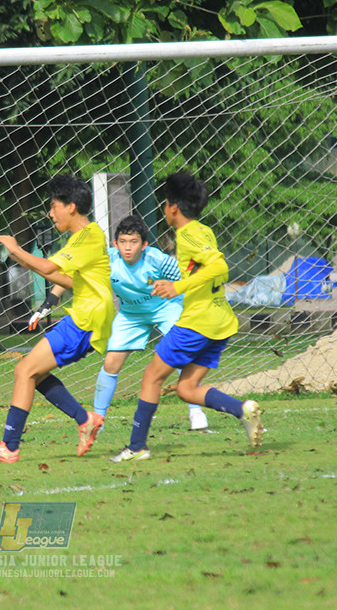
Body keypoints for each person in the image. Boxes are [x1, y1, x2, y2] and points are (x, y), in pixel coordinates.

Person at [110, 171, 263, 462]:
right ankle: (241, 409)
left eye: (163, 203)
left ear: (173, 207)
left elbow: (219, 268)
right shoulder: (203, 230)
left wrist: (177, 286)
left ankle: (137, 446)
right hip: (220, 323)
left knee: (151, 378)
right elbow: (205, 267)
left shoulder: (188, 233)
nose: (162, 209)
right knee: (186, 388)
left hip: (198, 322)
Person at [0, 174, 115, 463]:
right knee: (33, 373)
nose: (51, 213)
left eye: (53, 206)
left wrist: (15, 249)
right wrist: (26, 262)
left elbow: (49, 266)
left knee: (24, 371)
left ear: (71, 206)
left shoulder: (88, 236)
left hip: (87, 319)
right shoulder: (86, 236)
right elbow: (64, 278)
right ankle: (85, 419)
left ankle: (10, 447)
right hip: (89, 317)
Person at [31, 214, 212, 431]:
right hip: (131, 314)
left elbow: (190, 278)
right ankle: (97, 421)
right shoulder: (107, 260)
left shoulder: (158, 260)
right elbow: (73, 274)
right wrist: (49, 302)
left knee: (183, 354)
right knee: (111, 363)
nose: (128, 247)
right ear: (115, 243)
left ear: (144, 245)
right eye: (123, 242)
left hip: (166, 308)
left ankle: (196, 413)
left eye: (134, 242)